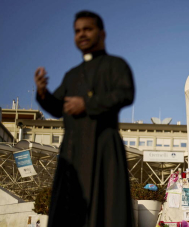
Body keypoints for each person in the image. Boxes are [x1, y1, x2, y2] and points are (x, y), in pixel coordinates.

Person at [34, 11, 135, 227]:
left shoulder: (116, 65)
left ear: (102, 33)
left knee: (106, 212)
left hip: (103, 148)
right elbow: (57, 108)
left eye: (87, 29)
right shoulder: (72, 75)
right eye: (77, 31)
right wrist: (43, 93)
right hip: (73, 152)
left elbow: (126, 94)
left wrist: (87, 104)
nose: (82, 34)